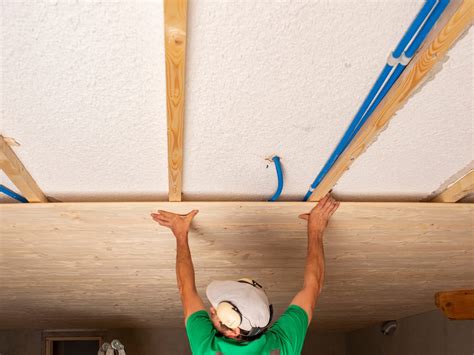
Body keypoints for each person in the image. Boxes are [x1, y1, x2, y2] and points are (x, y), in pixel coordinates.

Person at [150, 193, 339, 355]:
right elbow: (185, 291)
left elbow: (313, 288)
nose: (211, 310)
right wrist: (316, 229)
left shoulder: (281, 347)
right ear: (235, 330)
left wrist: (316, 228)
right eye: (217, 313)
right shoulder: (208, 349)